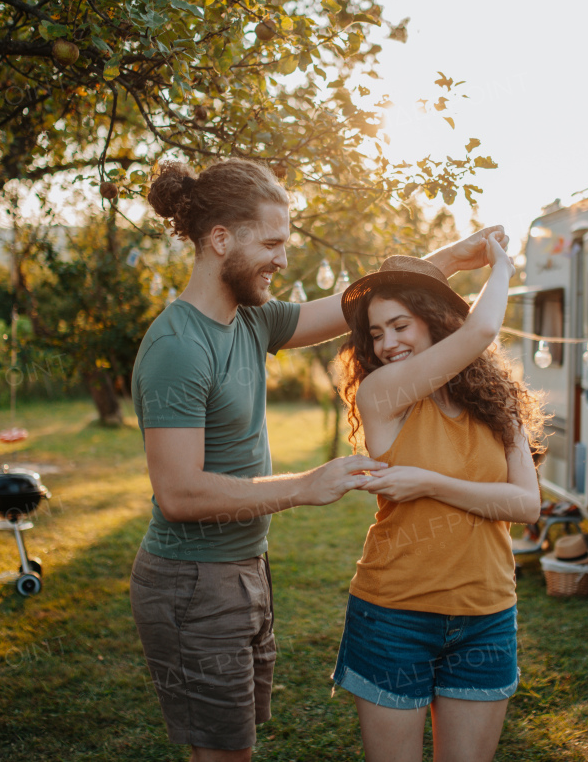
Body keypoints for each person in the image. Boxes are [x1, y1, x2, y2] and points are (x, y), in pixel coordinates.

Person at [129, 157, 507, 762]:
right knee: (221, 754)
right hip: (193, 579)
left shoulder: (249, 319)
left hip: (242, 567)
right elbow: (178, 494)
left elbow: (356, 303)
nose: (283, 260)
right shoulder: (178, 347)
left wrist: (451, 259)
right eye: (273, 244)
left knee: (236, 747)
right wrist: (306, 484)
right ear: (220, 239)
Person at [331, 247, 547, 762]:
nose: (386, 344)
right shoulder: (381, 395)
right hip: (395, 615)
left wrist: (431, 483)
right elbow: (480, 332)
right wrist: (503, 267)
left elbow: (525, 505)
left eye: (400, 325)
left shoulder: (498, 403)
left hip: (486, 615)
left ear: (433, 319)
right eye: (376, 333)